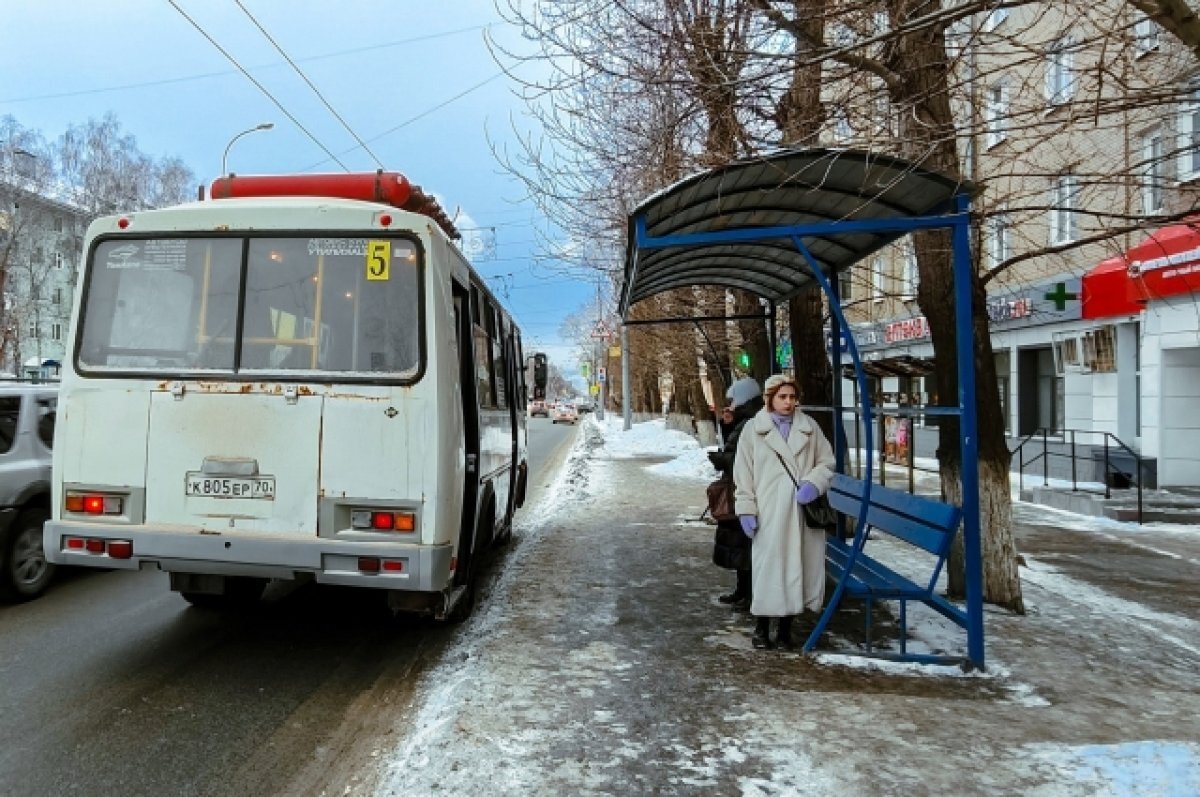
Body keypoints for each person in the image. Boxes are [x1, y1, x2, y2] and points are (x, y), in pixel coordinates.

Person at [733, 373, 835, 650]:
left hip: (800, 514)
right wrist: (746, 509)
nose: (788, 402)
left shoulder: (809, 428)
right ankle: (762, 628)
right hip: (768, 512)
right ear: (770, 398)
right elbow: (743, 474)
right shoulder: (753, 430)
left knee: (796, 568)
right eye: (782, 397)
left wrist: (813, 484)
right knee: (768, 569)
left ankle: (787, 629)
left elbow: (827, 462)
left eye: (792, 397)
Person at [707, 377, 764, 610]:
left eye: (733, 399)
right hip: (740, 489)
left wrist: (719, 460)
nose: (730, 403)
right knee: (741, 545)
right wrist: (727, 425)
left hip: (746, 491)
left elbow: (740, 459)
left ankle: (749, 594)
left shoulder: (751, 422)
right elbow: (735, 447)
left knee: (745, 545)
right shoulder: (745, 420)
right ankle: (743, 591)